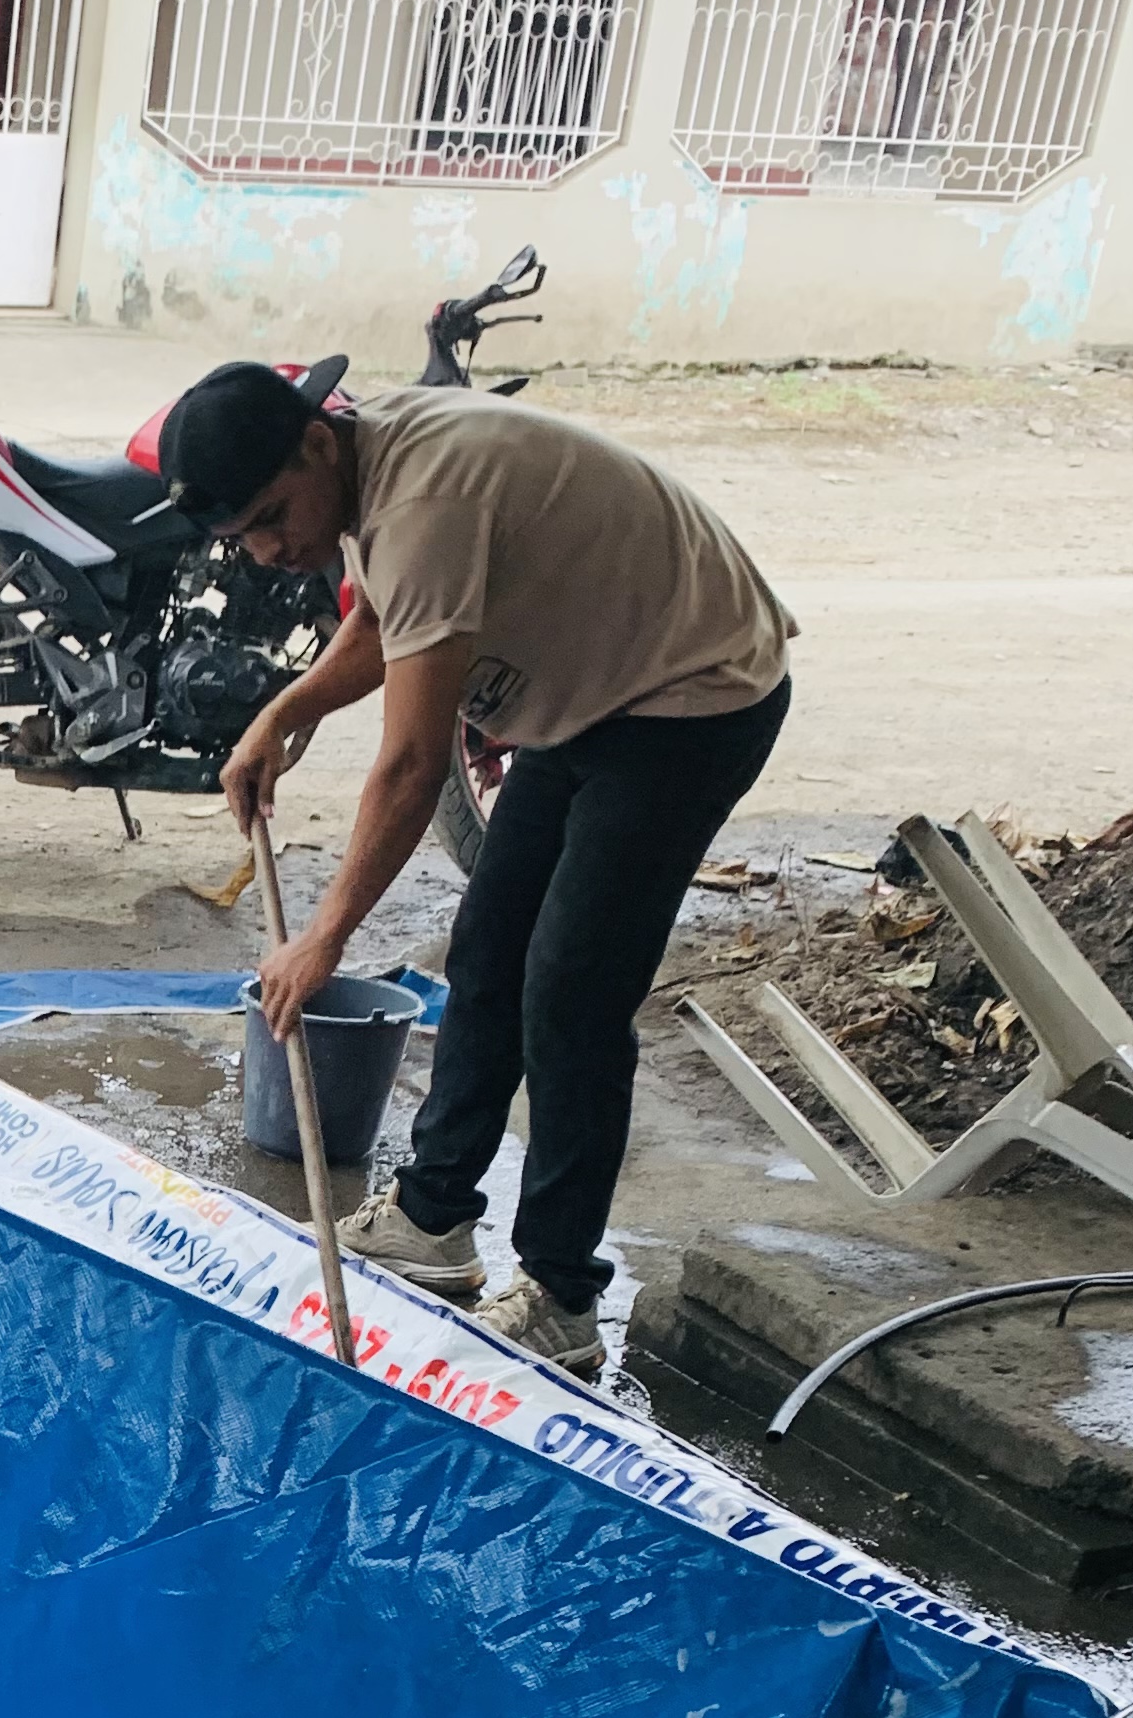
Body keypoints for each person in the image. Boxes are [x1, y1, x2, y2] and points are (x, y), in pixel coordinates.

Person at [166, 354, 794, 1372]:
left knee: (573, 990)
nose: (272, 552)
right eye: (245, 538)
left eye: (274, 517)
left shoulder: (424, 499)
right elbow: (384, 620)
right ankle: (433, 1216)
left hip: (693, 691)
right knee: (490, 949)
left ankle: (562, 1292)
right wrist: (284, 713)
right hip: (591, 690)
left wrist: (323, 939)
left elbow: (412, 767)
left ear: (317, 443)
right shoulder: (363, 469)